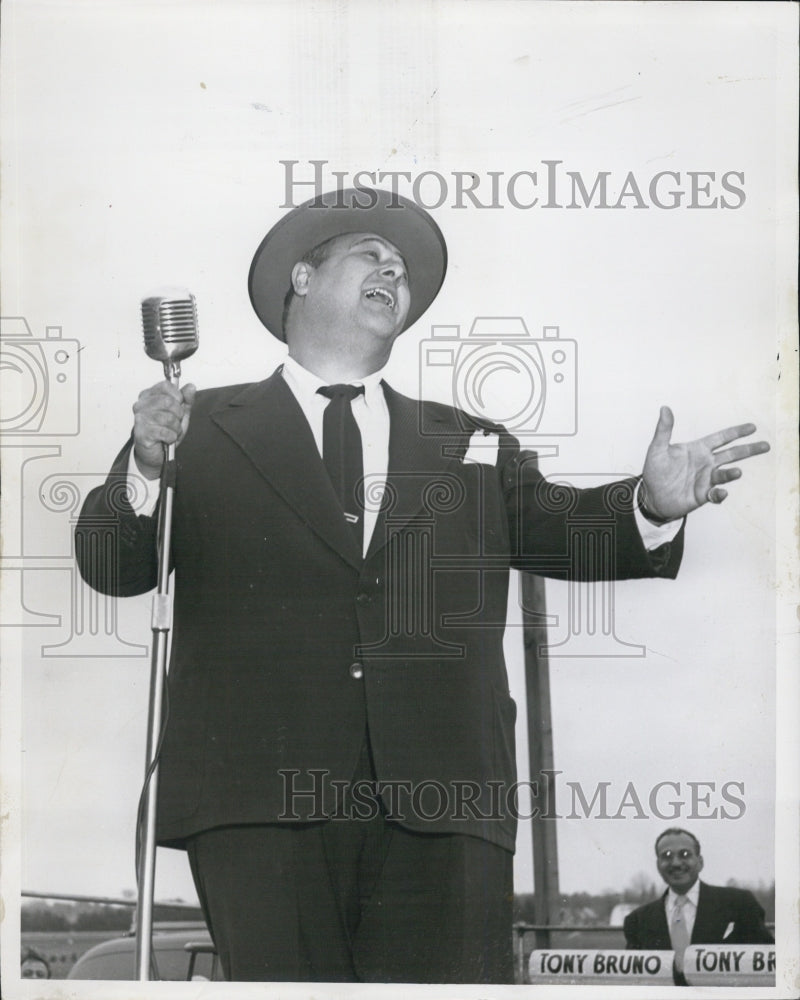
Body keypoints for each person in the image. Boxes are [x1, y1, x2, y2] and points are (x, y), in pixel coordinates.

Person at [76, 188, 769, 984]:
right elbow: (112, 564)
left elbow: (565, 526)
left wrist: (649, 505)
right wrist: (145, 464)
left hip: (446, 804)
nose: (393, 268)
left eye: (401, 267)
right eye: (370, 252)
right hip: (258, 805)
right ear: (301, 277)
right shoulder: (199, 425)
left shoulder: (468, 440)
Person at [624, 828, 774, 985]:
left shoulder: (740, 904)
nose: (675, 863)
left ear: (700, 862)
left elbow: (768, 965)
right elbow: (635, 981)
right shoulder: (637, 921)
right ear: (658, 865)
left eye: (685, 854)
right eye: (667, 856)